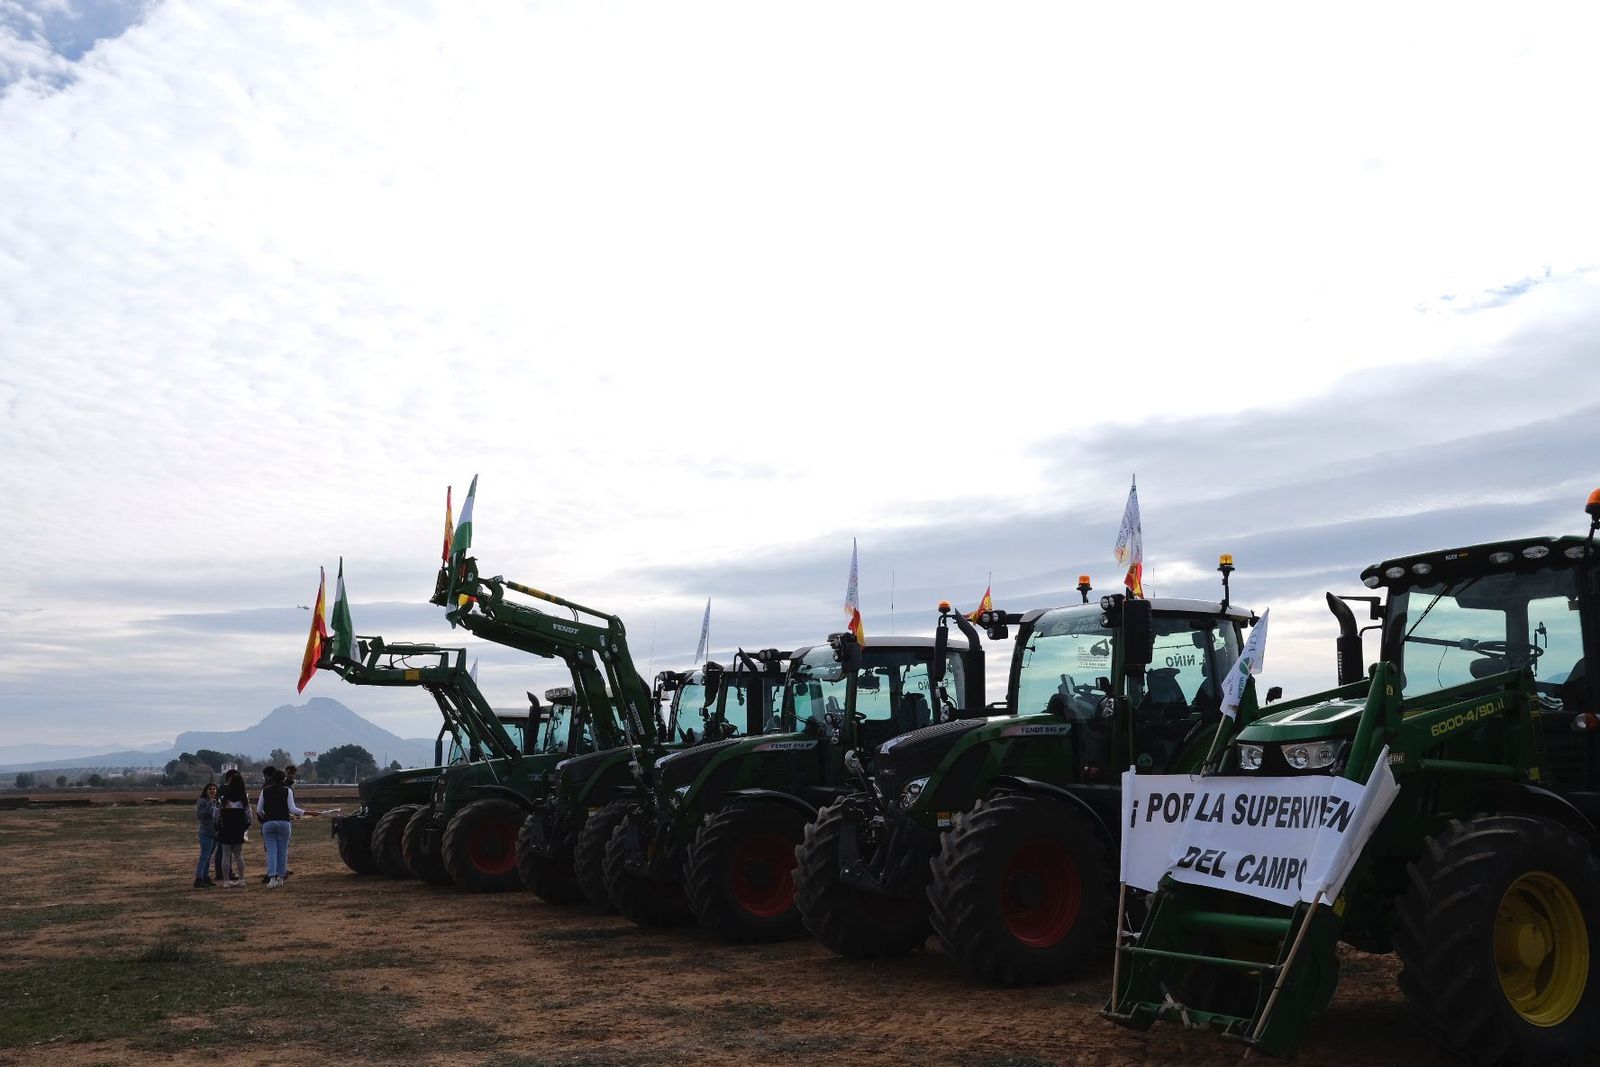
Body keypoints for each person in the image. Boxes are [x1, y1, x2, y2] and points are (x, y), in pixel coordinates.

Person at [256, 765, 310, 888]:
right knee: (283, 851)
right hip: (284, 823)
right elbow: (292, 809)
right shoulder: (288, 790)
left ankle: (271, 878)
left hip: (268, 823)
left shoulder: (265, 791)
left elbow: (259, 810)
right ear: (284, 779)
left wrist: (266, 817)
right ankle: (281, 877)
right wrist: (304, 812)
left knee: (271, 851)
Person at [217, 769, 251, 887]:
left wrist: (217, 826)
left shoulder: (223, 798)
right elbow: (248, 815)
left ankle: (226, 881)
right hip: (238, 828)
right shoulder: (244, 798)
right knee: (238, 854)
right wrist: (245, 827)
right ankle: (242, 880)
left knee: (226, 854)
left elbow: (216, 814)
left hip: (226, 828)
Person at [193, 783, 220, 888]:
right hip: (206, 832)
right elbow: (200, 815)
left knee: (209, 856)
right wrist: (210, 804)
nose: (212, 791)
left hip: (215, 832)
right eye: (210, 789)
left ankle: (206, 877)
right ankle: (198, 878)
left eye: (214, 789)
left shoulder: (218, 802)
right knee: (204, 855)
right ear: (206, 791)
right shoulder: (202, 801)